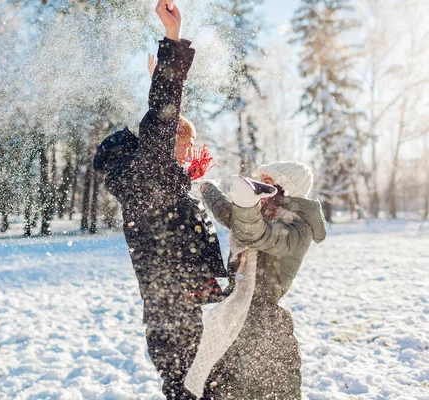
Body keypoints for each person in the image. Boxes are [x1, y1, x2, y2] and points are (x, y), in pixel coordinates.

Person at [93, 1, 226, 398]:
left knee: (199, 383)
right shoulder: (150, 178)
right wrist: (172, 40)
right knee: (188, 387)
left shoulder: (158, 180)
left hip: (178, 306)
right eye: (183, 147)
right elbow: (162, 117)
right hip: (172, 315)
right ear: (162, 146)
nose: (190, 155)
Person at [196, 161, 327, 399]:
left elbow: (255, 233)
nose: (258, 189)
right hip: (238, 313)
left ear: (284, 189)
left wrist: (246, 203)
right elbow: (232, 215)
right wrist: (208, 188)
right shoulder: (262, 213)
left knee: (269, 389)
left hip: (264, 323)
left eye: (265, 184)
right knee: (222, 388)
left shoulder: (297, 229)